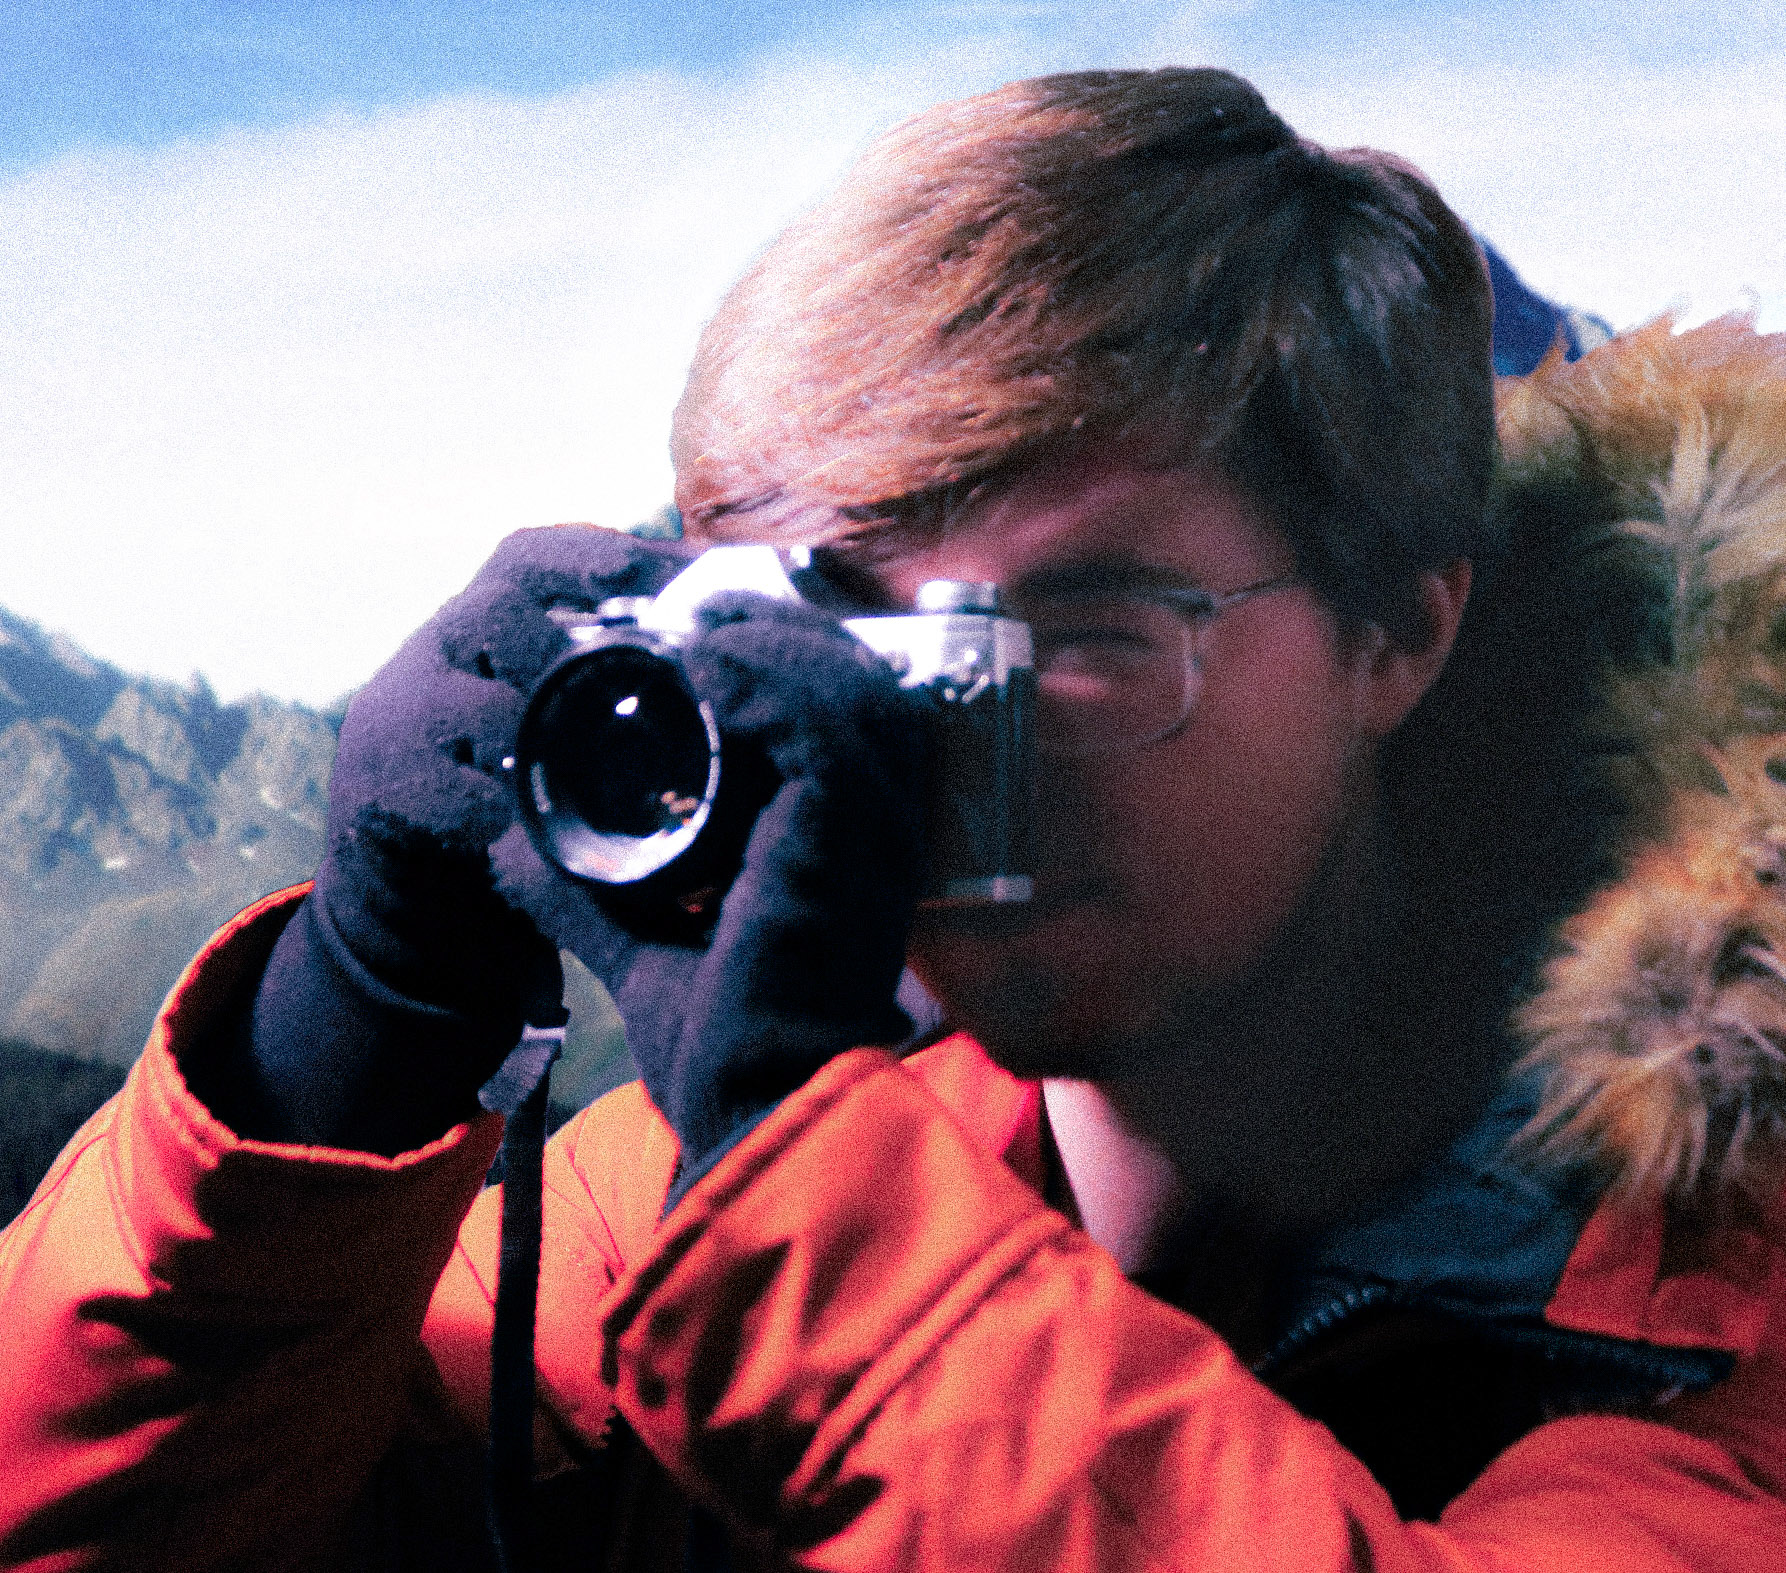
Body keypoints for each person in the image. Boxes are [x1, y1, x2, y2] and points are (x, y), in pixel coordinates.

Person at [3, 67, 1784, 1572]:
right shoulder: (676, 1196)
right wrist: (344, 1039)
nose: (951, 758)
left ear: (1398, 623)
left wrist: (815, 1223)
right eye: (855, 655)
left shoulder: (1717, 1306)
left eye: (1085, 633)